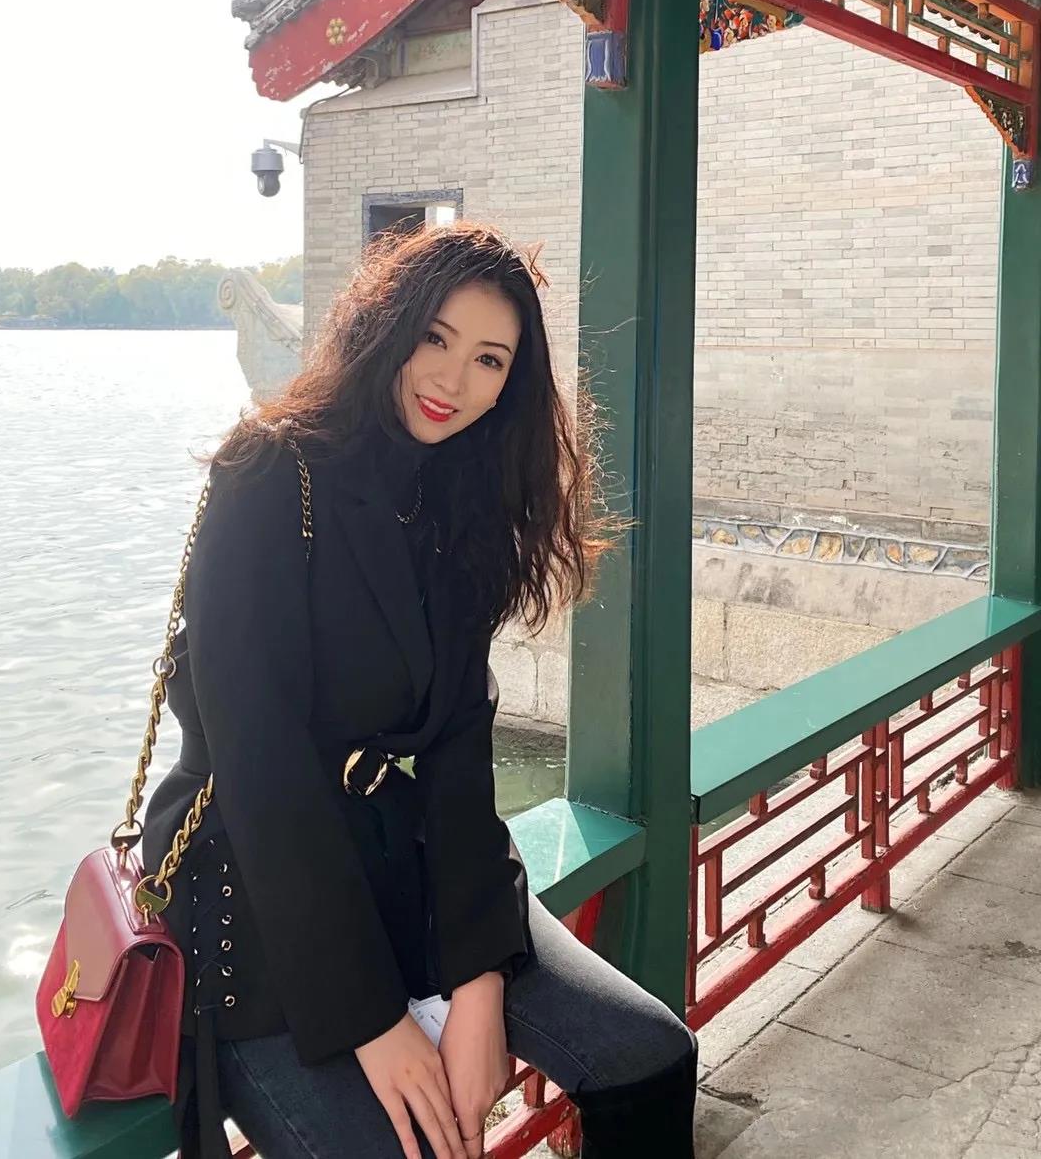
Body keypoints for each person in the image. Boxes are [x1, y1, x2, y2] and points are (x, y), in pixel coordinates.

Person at [142, 222, 698, 1159]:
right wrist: (376, 1022)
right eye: (434, 338)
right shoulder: (269, 472)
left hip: (397, 853)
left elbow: (456, 750)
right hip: (256, 888)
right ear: (385, 326)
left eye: (489, 360)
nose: (453, 380)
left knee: (651, 1058)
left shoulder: (454, 502)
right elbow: (263, 770)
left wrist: (478, 981)